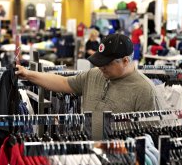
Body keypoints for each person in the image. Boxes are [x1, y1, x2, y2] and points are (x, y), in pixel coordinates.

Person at [15, 34, 161, 140]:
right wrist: (28, 74)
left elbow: (148, 140)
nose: (101, 67)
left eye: (107, 63)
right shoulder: (94, 74)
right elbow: (63, 82)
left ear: (125, 61)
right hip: (88, 153)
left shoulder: (145, 90)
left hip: (120, 159)